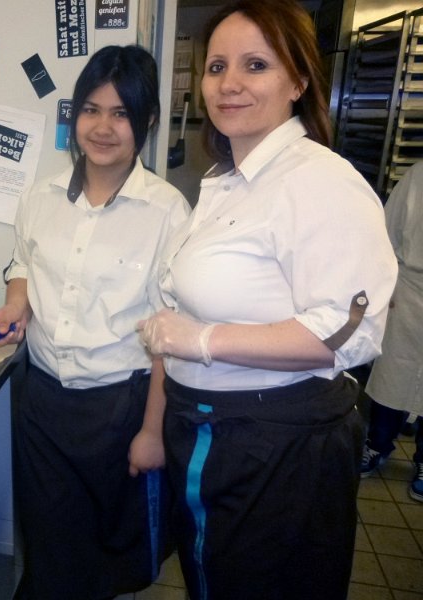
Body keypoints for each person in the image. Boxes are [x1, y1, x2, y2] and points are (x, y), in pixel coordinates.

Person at [137, 1, 398, 599]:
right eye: (217, 66)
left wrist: (200, 340)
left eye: (255, 65)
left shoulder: (317, 180)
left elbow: (349, 332)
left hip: (274, 450)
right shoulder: (225, 181)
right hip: (213, 432)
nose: (229, 83)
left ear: (298, 81)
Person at [0, 45, 189, 599]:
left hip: (120, 409)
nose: (102, 127)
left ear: (145, 122)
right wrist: (15, 302)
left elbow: (170, 332)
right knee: (50, 549)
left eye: (121, 114)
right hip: (44, 404)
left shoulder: (168, 212)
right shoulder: (39, 196)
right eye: (91, 109)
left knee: (108, 557)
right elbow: (23, 261)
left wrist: (151, 431)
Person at [361, 161, 423, 502]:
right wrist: (388, 289)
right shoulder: (417, 176)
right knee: (392, 375)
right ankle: (377, 445)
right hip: (410, 290)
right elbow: (385, 235)